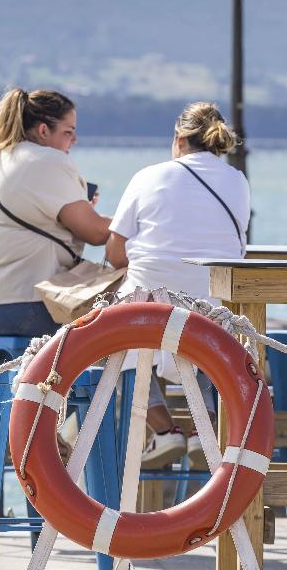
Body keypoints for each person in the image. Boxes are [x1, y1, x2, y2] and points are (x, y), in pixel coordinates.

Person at [106, 102, 250, 466]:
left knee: (114, 344)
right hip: (212, 303)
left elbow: (115, 251)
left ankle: (164, 430)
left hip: (150, 301)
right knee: (196, 342)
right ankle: (206, 429)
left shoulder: (148, 176)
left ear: (179, 139)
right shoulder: (236, 180)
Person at [0, 88, 110, 354]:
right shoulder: (48, 160)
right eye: (68, 131)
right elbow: (96, 233)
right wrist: (135, 219)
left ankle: (6, 394)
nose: (74, 140)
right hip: (17, 307)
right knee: (117, 322)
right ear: (43, 130)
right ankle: (121, 395)